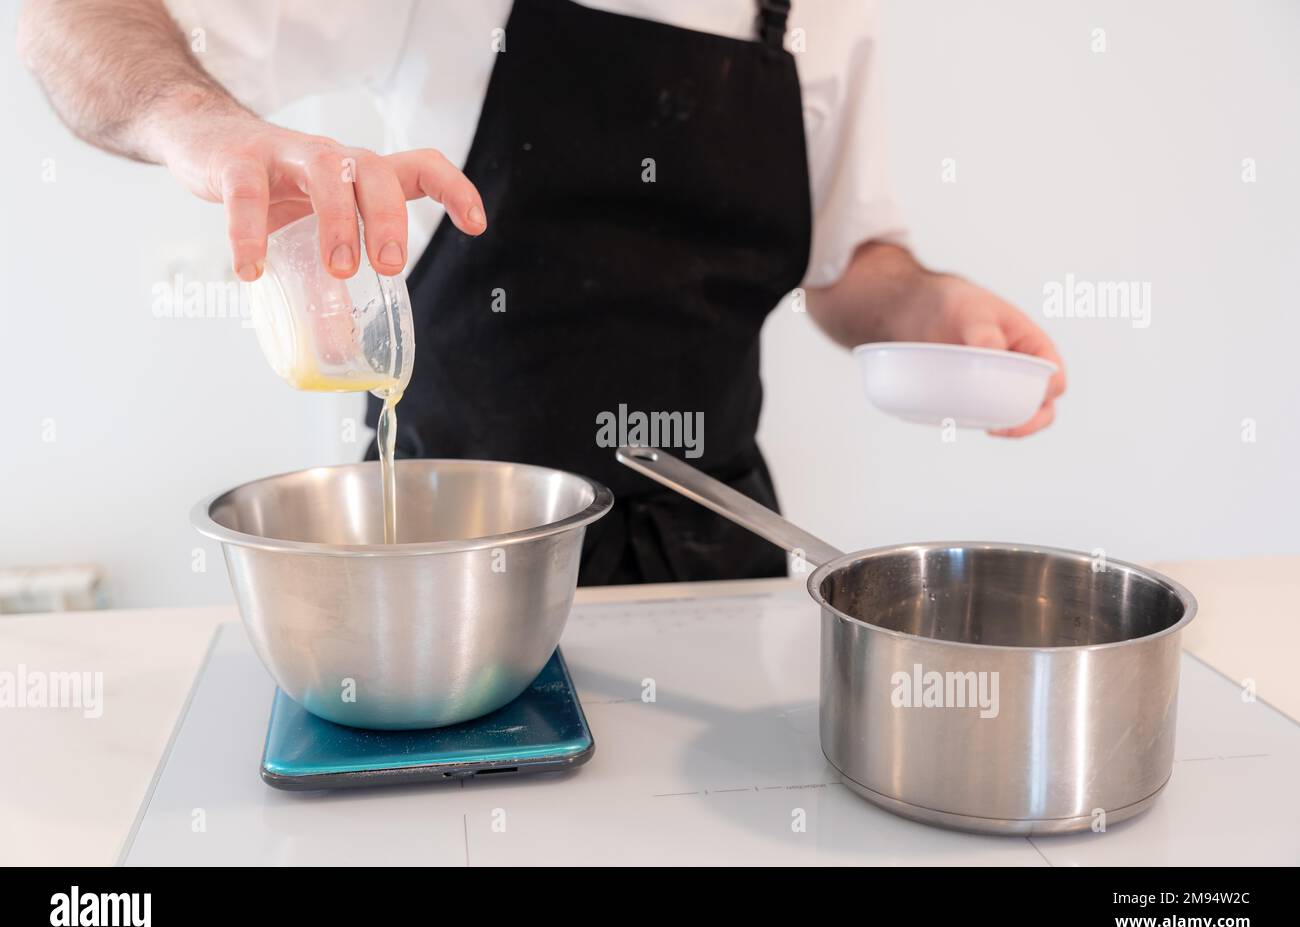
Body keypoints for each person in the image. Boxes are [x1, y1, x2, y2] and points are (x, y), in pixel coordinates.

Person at [19, 0, 1065, 584]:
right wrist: (197, 121)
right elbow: (82, 16)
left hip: (716, 565)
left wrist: (929, 308)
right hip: (441, 571)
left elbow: (851, 270)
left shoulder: (825, 12)